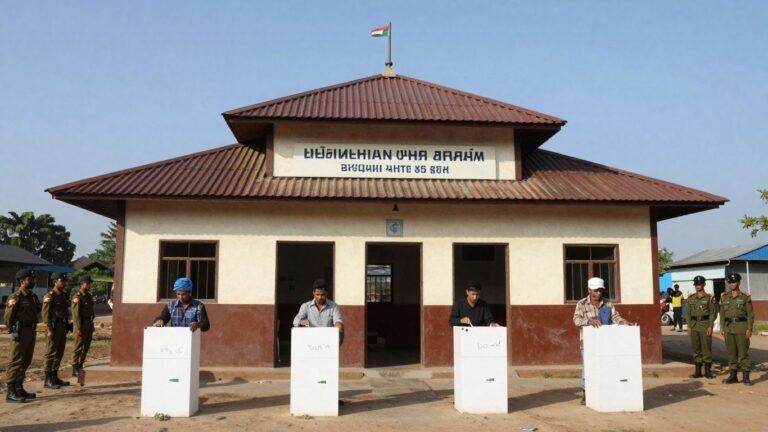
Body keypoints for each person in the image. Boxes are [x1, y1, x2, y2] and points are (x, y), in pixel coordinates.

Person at [572, 277, 635, 405]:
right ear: (589, 290)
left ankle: (605, 391)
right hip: (587, 343)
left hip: (606, 343)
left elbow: (615, 317)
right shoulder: (581, 304)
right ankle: (586, 392)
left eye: (600, 290)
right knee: (587, 368)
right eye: (596, 290)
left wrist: (624, 322)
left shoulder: (608, 303)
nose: (598, 293)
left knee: (606, 367)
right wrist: (589, 321)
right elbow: (576, 320)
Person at [4, 268, 41, 403]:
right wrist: (12, 329)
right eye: (30, 280)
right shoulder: (16, 297)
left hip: (31, 330)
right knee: (16, 361)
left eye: (33, 280)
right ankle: (11, 391)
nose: (33, 282)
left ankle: (19, 387)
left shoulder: (32, 296)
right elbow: (8, 317)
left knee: (26, 360)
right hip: (20, 331)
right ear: (22, 281)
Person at [719, 272, 754, 385]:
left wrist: (749, 328)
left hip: (741, 327)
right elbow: (722, 313)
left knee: (743, 353)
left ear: (738, 283)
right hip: (729, 328)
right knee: (731, 353)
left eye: (734, 282)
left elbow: (750, 315)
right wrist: (721, 327)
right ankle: (733, 376)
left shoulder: (744, 297)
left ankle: (746, 377)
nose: (732, 284)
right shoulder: (725, 297)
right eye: (730, 282)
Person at [42, 272, 72, 389]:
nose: (64, 283)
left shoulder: (63, 295)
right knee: (50, 353)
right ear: (55, 282)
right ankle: (47, 379)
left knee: (59, 352)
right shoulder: (50, 296)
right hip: (53, 327)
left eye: (65, 281)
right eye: (62, 281)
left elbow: (65, 312)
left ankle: (54, 376)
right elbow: (45, 314)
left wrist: (67, 325)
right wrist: (49, 329)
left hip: (62, 326)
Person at [292, 279, 344, 344]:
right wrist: (301, 321)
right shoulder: (306, 306)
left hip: (327, 342)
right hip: (311, 342)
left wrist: (338, 326)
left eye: (322, 295)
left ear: (326, 293)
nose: (320, 297)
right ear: (313, 293)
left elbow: (338, 321)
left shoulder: (334, 306)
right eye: (317, 294)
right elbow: (295, 321)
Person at [685, 275, 716, 379]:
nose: (698, 286)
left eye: (700, 284)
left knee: (706, 348)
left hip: (704, 324)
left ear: (704, 284)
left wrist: (710, 326)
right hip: (694, 325)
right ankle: (698, 371)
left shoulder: (709, 298)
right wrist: (688, 326)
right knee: (696, 348)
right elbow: (687, 313)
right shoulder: (691, 298)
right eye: (696, 284)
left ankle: (708, 371)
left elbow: (712, 313)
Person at [71, 275, 96, 377]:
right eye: (87, 283)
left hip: (88, 323)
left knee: (86, 346)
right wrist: (78, 328)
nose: (89, 285)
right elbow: (75, 314)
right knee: (78, 347)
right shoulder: (77, 297)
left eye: (89, 283)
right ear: (82, 284)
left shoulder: (89, 296)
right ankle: (74, 367)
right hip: (81, 324)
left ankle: (81, 364)